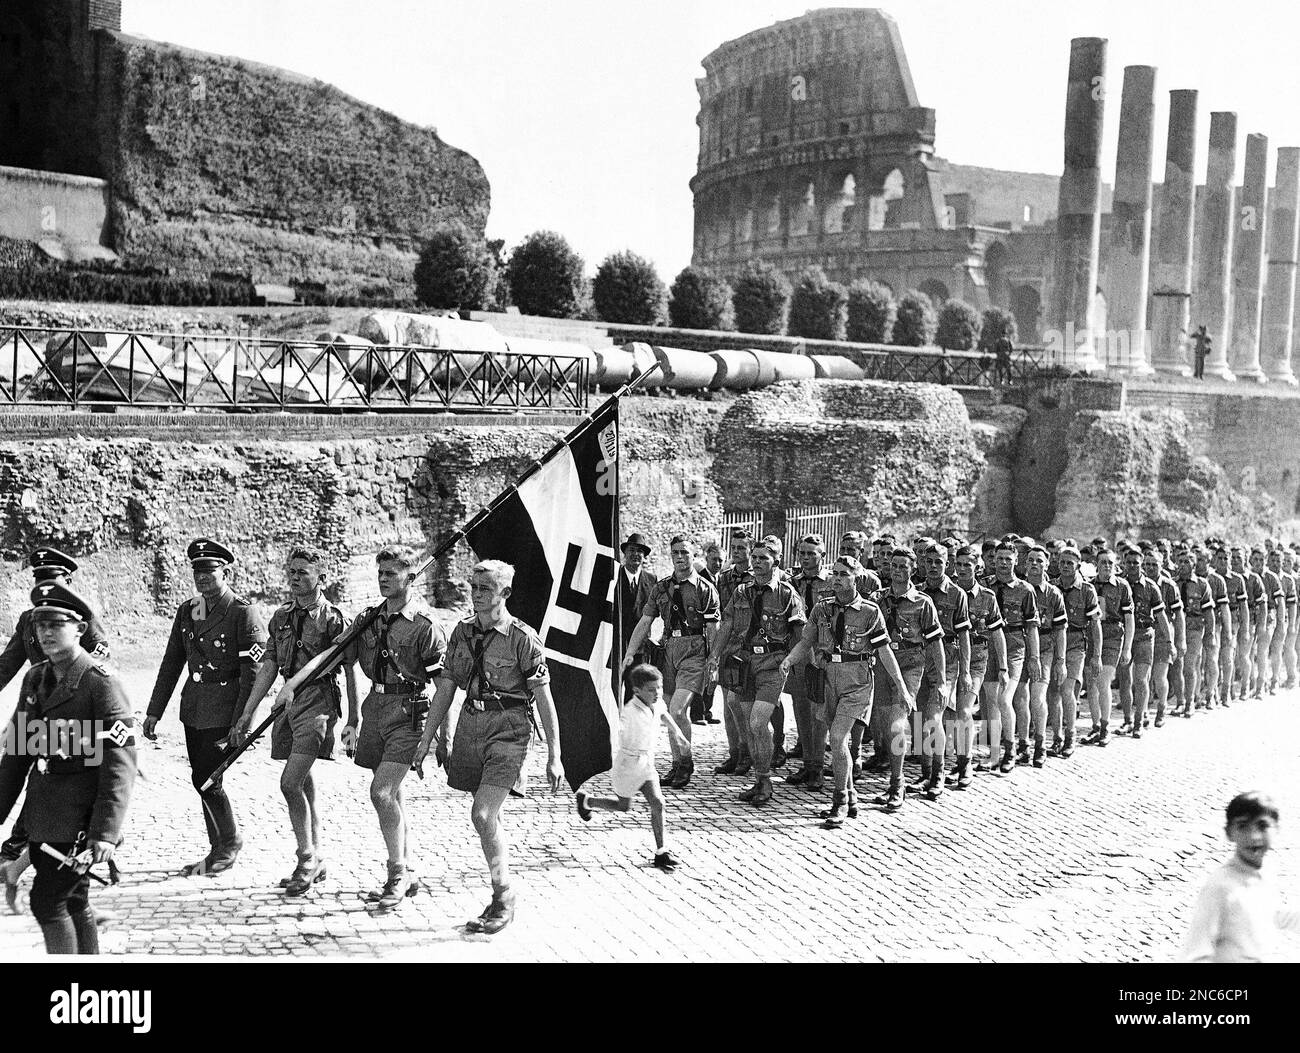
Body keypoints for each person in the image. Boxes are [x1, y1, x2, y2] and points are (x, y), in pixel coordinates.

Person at [415, 559, 564, 934]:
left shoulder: (522, 638)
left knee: (482, 815)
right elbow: (446, 688)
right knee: (489, 818)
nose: (476, 594)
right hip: (471, 725)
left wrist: (555, 756)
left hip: (510, 730)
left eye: (485, 588)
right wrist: (428, 741)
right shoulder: (462, 632)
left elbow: (545, 700)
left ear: (505, 593)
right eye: (473, 586)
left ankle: (503, 896)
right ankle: (500, 888)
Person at [0, 583, 135, 954]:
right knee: (74, 900)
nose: (45, 633)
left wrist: (105, 832)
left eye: (55, 624)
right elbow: (17, 752)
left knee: (47, 902)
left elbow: (119, 766)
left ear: (79, 629)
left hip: (80, 819)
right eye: (39, 625)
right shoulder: (37, 678)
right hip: (44, 813)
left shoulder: (99, 684)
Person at [229, 546, 361, 896]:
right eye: (291, 571)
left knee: (290, 783)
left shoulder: (333, 619)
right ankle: (316, 856)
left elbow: (347, 669)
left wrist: (353, 716)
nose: (295, 577)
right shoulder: (281, 616)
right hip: (288, 706)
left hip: (318, 703)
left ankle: (305, 858)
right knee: (302, 780)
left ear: (321, 577)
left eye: (303, 571)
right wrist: (249, 711)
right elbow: (270, 664)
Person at [144, 538, 268, 876]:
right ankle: (218, 847)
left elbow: (253, 673)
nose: (201, 578)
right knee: (202, 778)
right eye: (197, 571)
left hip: (226, 709)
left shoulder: (242, 612)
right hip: (195, 708)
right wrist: (154, 710)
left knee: (208, 778)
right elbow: (172, 662)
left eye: (209, 571)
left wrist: (243, 720)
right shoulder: (191, 609)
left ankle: (229, 842)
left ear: (225, 572)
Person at [0, 547, 113, 909]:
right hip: (38, 709)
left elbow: (97, 667)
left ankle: (22, 856)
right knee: (26, 768)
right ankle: (21, 857)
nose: (45, 583)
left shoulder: (84, 619)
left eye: (54, 579)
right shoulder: (28, 621)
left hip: (78, 723)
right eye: (39, 578)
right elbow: (9, 663)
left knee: (65, 790)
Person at [339, 547, 445, 909]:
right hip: (376, 710)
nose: (383, 578)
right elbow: (344, 660)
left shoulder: (425, 627)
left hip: (410, 713)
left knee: (381, 793)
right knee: (394, 793)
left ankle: (397, 871)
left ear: (410, 578)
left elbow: (442, 686)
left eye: (391, 573)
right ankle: (407, 869)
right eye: (380, 572)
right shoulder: (368, 619)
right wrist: (352, 718)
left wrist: (441, 737)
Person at [781, 555, 913, 823]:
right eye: (835, 573)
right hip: (829, 679)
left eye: (844, 574)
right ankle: (851, 796)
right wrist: (789, 659)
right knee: (845, 742)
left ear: (856, 578)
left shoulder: (870, 611)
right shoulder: (821, 609)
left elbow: (884, 651)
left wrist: (901, 686)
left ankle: (839, 800)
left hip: (858, 681)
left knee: (838, 738)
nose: (837, 579)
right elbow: (806, 641)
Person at [706, 539, 806, 807]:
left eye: (764, 557)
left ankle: (766, 780)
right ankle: (761, 779)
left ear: (776, 561)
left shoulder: (787, 594)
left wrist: (793, 662)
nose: (758, 562)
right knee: (748, 722)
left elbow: (800, 634)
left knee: (758, 722)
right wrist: (715, 654)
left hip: (772, 665)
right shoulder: (741, 592)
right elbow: (727, 623)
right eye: (755, 557)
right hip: (744, 663)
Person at [623, 535, 720, 789]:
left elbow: (713, 628)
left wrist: (713, 661)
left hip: (694, 650)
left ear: (693, 555)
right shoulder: (661, 588)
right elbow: (645, 622)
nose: (680, 557)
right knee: (667, 712)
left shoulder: (705, 589)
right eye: (675, 552)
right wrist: (630, 653)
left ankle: (686, 762)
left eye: (685, 553)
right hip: (668, 651)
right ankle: (677, 764)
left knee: (678, 709)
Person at [576, 664, 688, 871]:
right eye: (651, 690)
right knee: (623, 806)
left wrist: (678, 733)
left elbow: (663, 714)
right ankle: (588, 801)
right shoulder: (629, 713)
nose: (657, 693)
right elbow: (616, 730)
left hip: (647, 764)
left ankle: (662, 852)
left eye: (659, 688)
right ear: (637, 691)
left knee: (658, 803)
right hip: (628, 764)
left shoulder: (657, 702)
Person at [1181, 792, 1300, 962]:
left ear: (1277, 830)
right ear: (1229, 833)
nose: (1254, 836)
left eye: (1262, 826)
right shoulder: (1220, 887)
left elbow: (1271, 914)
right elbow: (1195, 953)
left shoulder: (1265, 875)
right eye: (1243, 826)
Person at [871, 547, 945, 808]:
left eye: (904, 566)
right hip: (882, 664)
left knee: (897, 722)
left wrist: (943, 681)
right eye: (894, 565)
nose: (898, 570)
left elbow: (935, 643)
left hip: (911, 663)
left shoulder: (923, 602)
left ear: (913, 569)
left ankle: (897, 784)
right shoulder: (877, 599)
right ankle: (895, 778)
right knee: (883, 724)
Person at [949, 546, 1007, 787]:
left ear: (977, 568)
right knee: (945, 712)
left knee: (964, 709)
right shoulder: (946, 592)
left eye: (968, 565)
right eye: (959, 564)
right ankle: (942, 762)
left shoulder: (987, 597)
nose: (962, 569)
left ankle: (965, 765)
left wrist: (1003, 667)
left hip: (976, 658)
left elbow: (997, 633)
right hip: (948, 654)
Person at [916, 542, 970, 793]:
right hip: (920, 658)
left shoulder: (957, 594)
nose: (934, 566)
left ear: (947, 564)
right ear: (923, 563)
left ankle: (938, 774)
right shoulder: (916, 593)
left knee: (935, 715)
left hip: (947, 659)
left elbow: (964, 635)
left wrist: (966, 671)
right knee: (921, 717)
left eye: (939, 562)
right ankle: (926, 772)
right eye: (929, 562)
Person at [982, 541, 1039, 773]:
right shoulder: (984, 586)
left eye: (1009, 559)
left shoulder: (1026, 590)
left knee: (1006, 699)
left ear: (1016, 561)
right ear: (993, 560)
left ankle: (1011, 749)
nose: (1004, 563)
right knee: (991, 702)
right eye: (1000, 558)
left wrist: (1034, 657)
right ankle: (995, 753)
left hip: (1015, 647)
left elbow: (1032, 626)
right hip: (989, 646)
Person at [786, 534, 836, 788]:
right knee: (801, 710)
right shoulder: (791, 582)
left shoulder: (832, 583)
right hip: (799, 652)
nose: (805, 558)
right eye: (802, 553)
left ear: (822, 556)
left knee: (819, 712)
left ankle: (817, 768)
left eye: (811, 554)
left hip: (822, 654)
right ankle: (807, 764)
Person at [713, 530, 757, 776]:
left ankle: (748, 751)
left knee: (741, 703)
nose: (737, 551)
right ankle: (734, 753)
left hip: (749, 645)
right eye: (734, 547)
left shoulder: (757, 576)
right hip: (728, 644)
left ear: (751, 550)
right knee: (727, 703)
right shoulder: (724, 578)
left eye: (742, 547)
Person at [1050, 546, 1101, 757]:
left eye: (1069, 563)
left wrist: (1096, 655)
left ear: (1078, 566)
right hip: (1052, 643)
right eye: (1062, 562)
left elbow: (1095, 624)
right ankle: (1056, 737)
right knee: (1052, 693)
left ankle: (1070, 735)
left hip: (1075, 643)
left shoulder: (1087, 590)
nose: (1064, 567)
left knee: (1067, 690)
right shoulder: (1052, 587)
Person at [1019, 545, 1066, 766]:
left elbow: (1060, 629)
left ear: (1047, 564)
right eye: (1031, 560)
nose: (1035, 564)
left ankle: (1040, 744)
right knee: (1021, 698)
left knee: (1038, 697)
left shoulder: (1053, 594)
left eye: (1039, 560)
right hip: (1020, 646)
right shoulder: (1018, 588)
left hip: (1045, 647)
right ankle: (1023, 745)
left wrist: (1060, 660)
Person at [1116, 546, 1168, 737]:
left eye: (1136, 563)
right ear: (1123, 563)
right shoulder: (1119, 584)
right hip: (1123, 636)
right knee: (1124, 679)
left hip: (1145, 635)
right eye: (1128, 562)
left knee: (1140, 679)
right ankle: (1128, 720)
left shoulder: (1150, 587)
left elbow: (1161, 616)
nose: (1132, 566)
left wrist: (1170, 641)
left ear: (1142, 565)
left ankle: (1139, 721)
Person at [1087, 549, 1132, 746]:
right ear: (1096, 564)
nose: (1106, 566)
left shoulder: (1122, 586)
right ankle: (1095, 726)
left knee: (1103, 680)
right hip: (1092, 635)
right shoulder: (1089, 586)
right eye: (1103, 562)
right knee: (1091, 683)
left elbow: (1129, 620)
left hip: (1113, 635)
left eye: (1110, 563)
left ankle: (1106, 727)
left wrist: (1127, 648)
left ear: (1115, 565)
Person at [1143, 547, 1184, 730]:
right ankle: (1143, 712)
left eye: (1154, 564)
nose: (1150, 568)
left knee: (1160, 676)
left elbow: (1179, 614)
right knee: (1143, 676)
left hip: (1163, 634)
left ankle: (1161, 709)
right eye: (1147, 565)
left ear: (1161, 565)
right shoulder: (1139, 584)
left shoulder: (1169, 586)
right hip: (1144, 633)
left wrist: (1179, 639)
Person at [1173, 548, 1214, 719]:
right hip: (1175, 628)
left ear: (1194, 564)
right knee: (1177, 666)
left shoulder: (1202, 584)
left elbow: (1208, 611)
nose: (1182, 565)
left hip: (1194, 628)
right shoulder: (1172, 584)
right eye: (1180, 562)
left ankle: (1190, 703)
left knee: (1189, 665)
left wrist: (1210, 634)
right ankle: (1180, 702)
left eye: (1186, 562)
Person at [613, 533, 655, 702]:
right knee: (613, 689)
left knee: (635, 691)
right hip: (616, 644)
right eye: (631, 550)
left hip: (640, 646)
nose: (635, 554)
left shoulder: (652, 580)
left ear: (644, 556)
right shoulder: (614, 577)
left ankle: (630, 727)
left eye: (640, 551)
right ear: (625, 553)